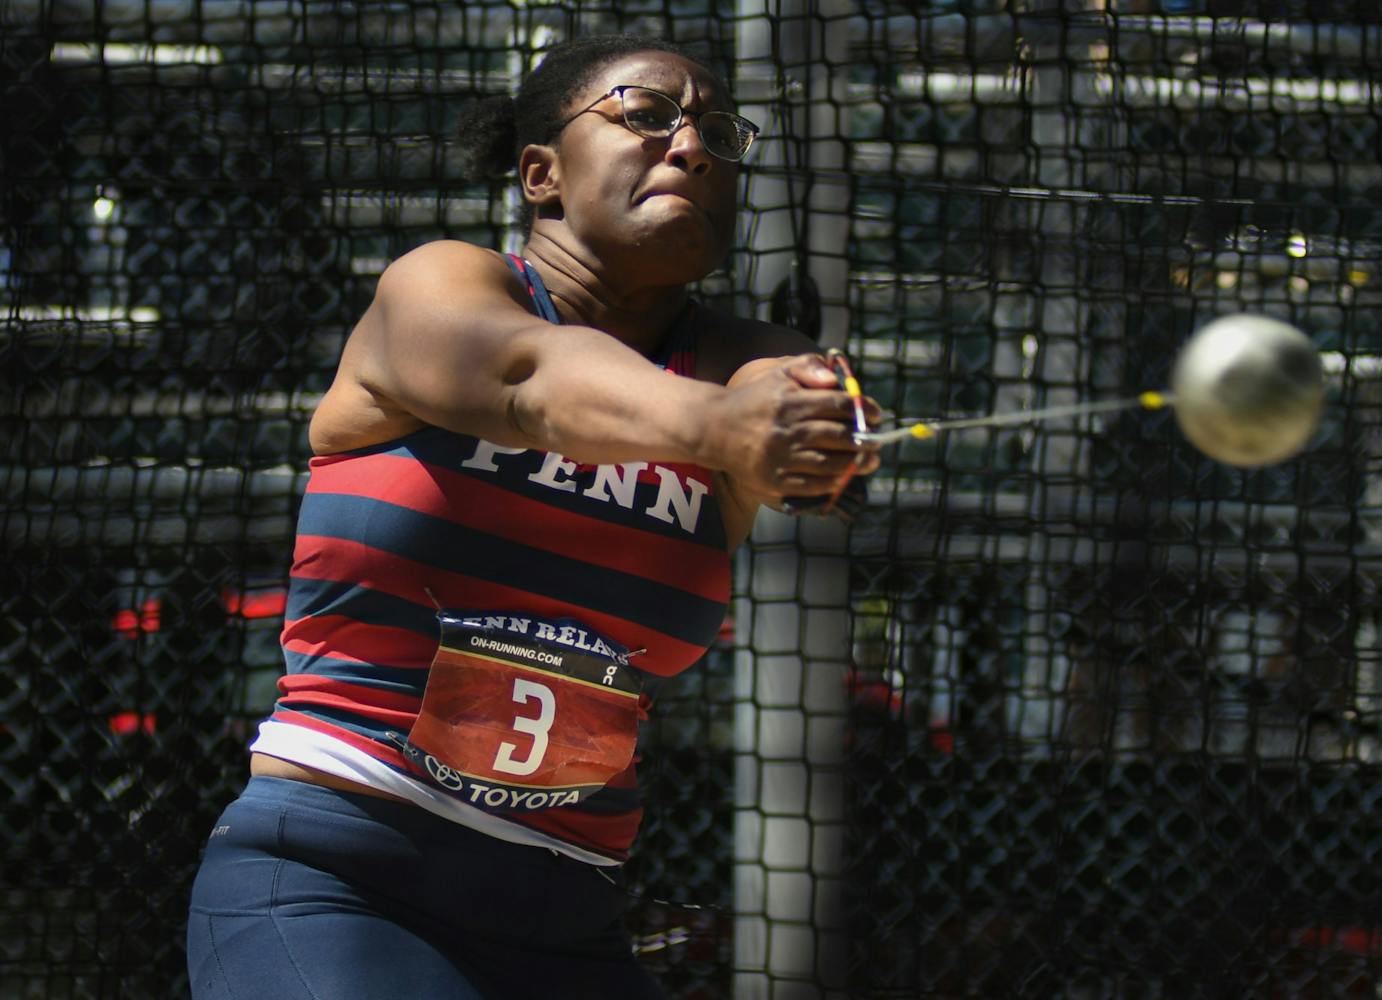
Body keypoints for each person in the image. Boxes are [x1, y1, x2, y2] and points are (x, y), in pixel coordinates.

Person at [185, 33, 877, 1000]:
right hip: (340, 877)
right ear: (542, 173)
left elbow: (782, 390)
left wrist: (814, 429)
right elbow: (531, 379)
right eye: (646, 115)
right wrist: (723, 426)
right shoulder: (441, 289)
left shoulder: (741, 361)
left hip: (569, 919)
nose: (692, 147)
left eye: (718, 132)